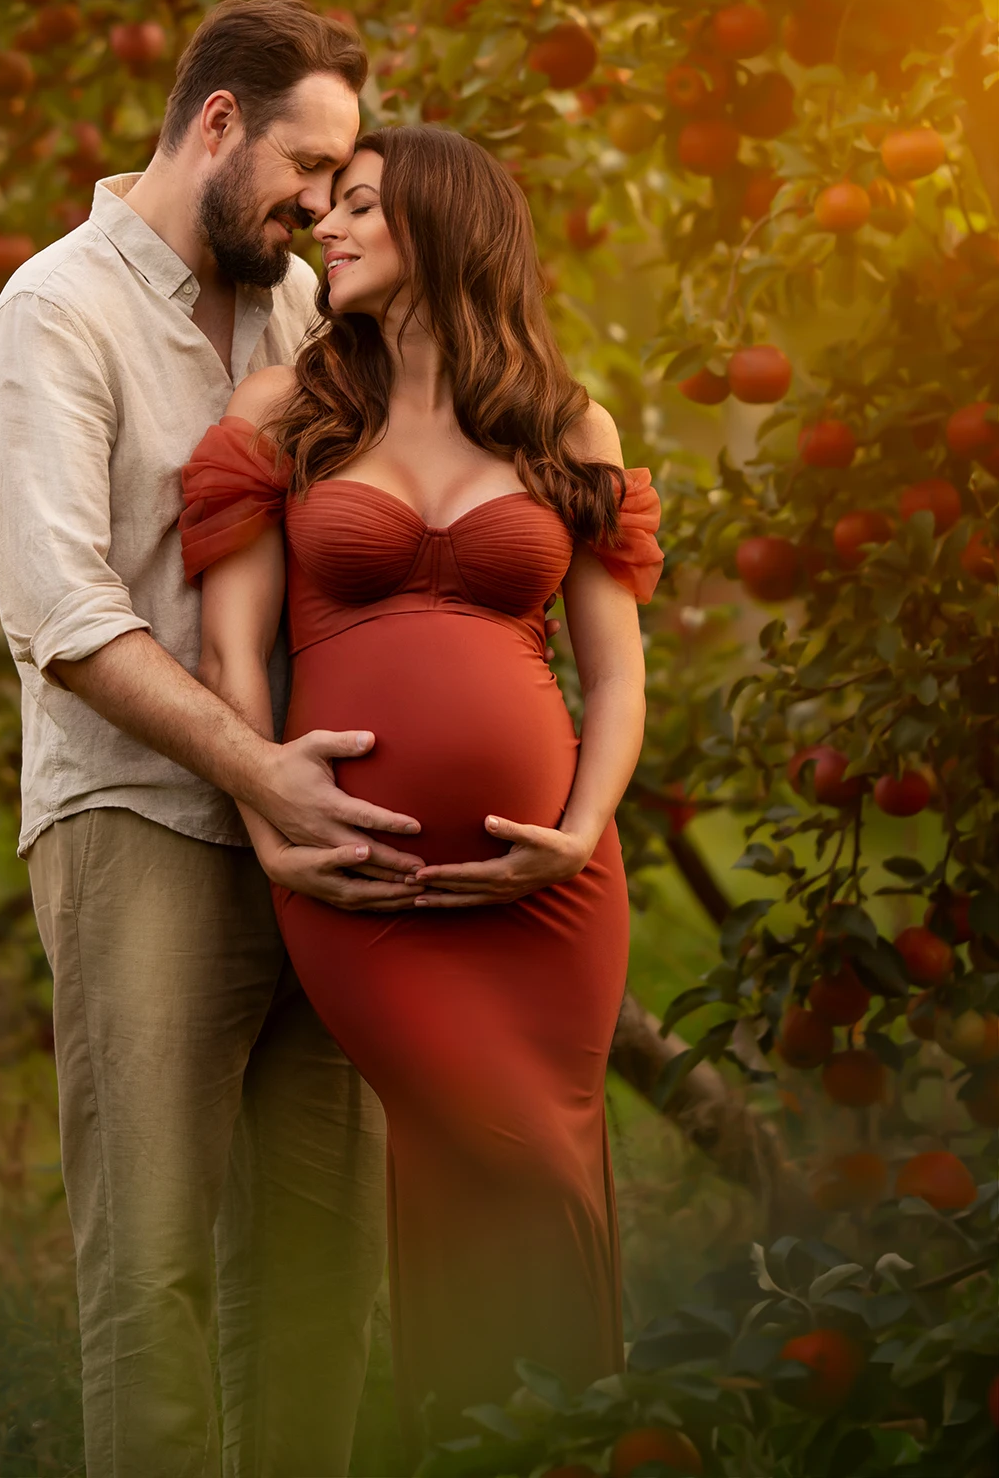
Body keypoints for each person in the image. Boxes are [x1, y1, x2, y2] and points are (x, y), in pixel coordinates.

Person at [0, 0, 434, 1478]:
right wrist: (256, 774)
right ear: (216, 124)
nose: (320, 202)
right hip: (144, 819)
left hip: (315, 834)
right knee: (149, 1266)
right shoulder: (55, 313)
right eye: (305, 165)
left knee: (316, 1259)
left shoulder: (299, 307)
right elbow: (63, 615)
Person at [181, 125, 663, 1453]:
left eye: (360, 209)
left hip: (552, 901)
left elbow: (613, 678)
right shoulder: (287, 414)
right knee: (498, 1151)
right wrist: (266, 821)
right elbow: (230, 653)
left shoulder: (566, 426)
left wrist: (575, 837)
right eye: (324, 208)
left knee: (530, 1169)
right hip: (360, 879)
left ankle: (537, 1449)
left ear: (448, 228)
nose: (324, 229)